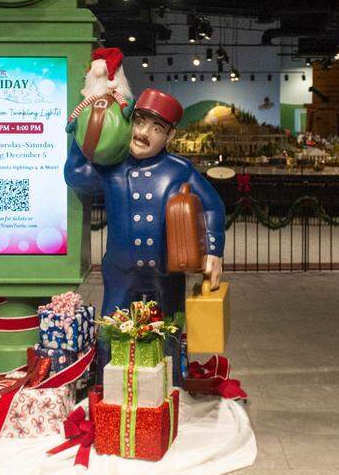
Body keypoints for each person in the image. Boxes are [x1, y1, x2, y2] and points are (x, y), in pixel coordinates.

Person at [65, 88, 225, 383]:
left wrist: (213, 251)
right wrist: (80, 137)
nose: (143, 133)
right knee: (111, 331)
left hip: (166, 274)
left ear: (170, 136)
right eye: (139, 123)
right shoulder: (111, 165)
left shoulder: (180, 170)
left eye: (156, 128)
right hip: (120, 272)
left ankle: (171, 386)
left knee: (170, 331)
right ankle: (106, 387)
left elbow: (213, 207)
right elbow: (75, 176)